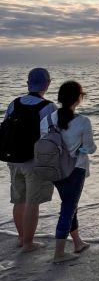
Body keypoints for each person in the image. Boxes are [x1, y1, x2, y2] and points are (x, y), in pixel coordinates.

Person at [40, 80, 97, 265]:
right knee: (68, 207)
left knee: (69, 203)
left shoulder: (47, 120)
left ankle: (77, 242)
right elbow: (90, 148)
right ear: (78, 98)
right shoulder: (82, 121)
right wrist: (81, 149)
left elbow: (45, 143)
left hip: (54, 169)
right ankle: (59, 253)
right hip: (75, 169)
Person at [1, 68, 56, 252]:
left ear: (28, 84)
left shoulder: (14, 103)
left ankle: (21, 238)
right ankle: (28, 243)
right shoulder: (48, 107)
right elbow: (52, 136)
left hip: (13, 159)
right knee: (32, 202)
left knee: (19, 200)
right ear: (47, 84)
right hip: (34, 161)